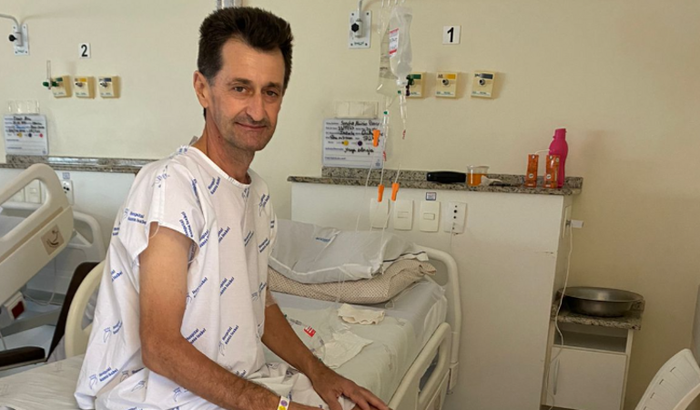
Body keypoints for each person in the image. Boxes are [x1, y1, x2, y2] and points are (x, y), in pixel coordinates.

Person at [75, 7, 388, 410]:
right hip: (151, 393)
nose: (257, 111)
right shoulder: (172, 185)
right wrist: (278, 408)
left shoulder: (257, 192)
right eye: (240, 88)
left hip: (228, 382)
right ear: (202, 89)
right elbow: (160, 348)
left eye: (270, 92)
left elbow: (258, 301)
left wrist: (318, 371)